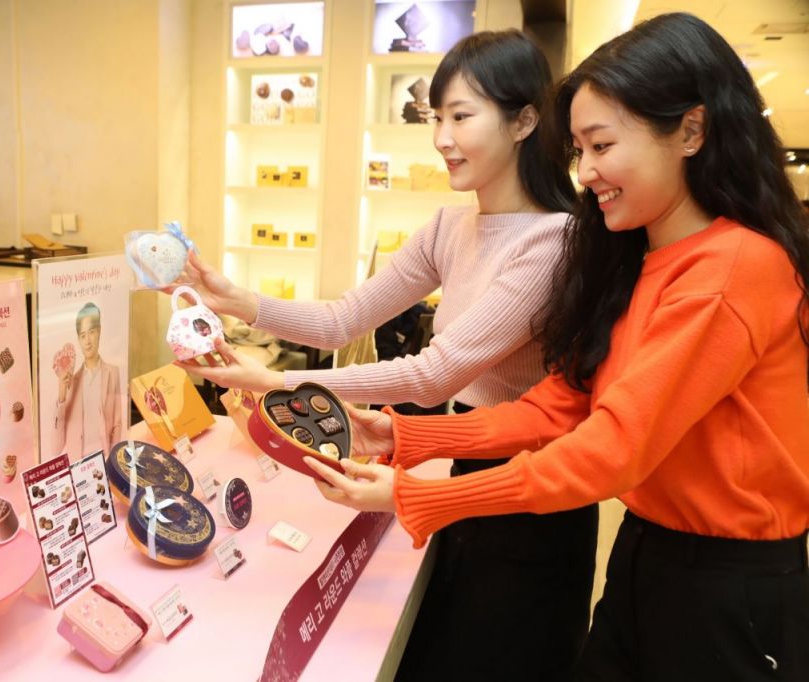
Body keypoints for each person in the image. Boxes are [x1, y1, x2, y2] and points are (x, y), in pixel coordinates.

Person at [304, 13, 809, 681]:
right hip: (646, 550)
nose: (588, 171)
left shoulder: (733, 269)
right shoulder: (634, 258)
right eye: (579, 150)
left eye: (603, 145)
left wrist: (422, 495)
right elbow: (558, 407)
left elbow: (611, 448)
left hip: (726, 583)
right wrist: (406, 436)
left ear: (691, 131)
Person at [179, 30, 597, 681]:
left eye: (461, 116)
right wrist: (237, 300)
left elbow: (433, 375)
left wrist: (275, 382)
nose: (442, 138)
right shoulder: (449, 226)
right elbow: (342, 319)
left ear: (523, 121)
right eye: (436, 117)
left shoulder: (553, 241)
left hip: (534, 492)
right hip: (467, 456)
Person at [51, 302, 122, 460]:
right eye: (83, 335)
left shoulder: (113, 373)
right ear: (78, 339)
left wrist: (112, 458)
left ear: (99, 331)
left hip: (105, 460)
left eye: (91, 332)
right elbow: (56, 447)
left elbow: (117, 424)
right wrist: (61, 396)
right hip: (78, 464)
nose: (88, 341)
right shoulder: (72, 382)